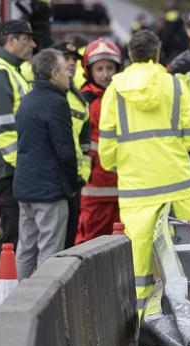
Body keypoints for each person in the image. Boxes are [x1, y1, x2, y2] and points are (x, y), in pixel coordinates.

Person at [99, 29, 190, 321]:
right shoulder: (173, 85)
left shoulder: (115, 90)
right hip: (177, 182)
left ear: (130, 55)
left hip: (137, 187)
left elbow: (107, 142)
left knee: (138, 260)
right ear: (157, 53)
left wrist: (115, 163)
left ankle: (141, 325)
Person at [13, 50, 83, 278]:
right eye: (65, 70)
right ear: (54, 74)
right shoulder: (56, 103)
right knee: (49, 251)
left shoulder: (26, 101)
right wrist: (72, 184)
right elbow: (65, 150)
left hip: (25, 186)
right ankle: (42, 309)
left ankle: (16, 300)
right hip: (49, 189)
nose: (69, 75)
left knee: (26, 248)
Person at [0, 19, 35, 248]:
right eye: (27, 38)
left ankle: (11, 284)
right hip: (8, 168)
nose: (33, 44)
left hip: (10, 166)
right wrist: (22, 165)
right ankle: (6, 285)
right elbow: (3, 127)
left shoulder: (10, 70)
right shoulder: (1, 72)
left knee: (18, 235)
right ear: (11, 40)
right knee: (13, 236)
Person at [75, 38, 124, 245]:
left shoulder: (126, 96)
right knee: (89, 244)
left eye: (109, 68)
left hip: (124, 186)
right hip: (94, 188)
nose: (105, 74)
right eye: (100, 69)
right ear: (89, 71)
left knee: (124, 245)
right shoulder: (84, 101)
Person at [52, 41, 92, 250]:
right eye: (65, 58)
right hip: (50, 181)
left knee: (68, 241)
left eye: (74, 59)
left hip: (73, 181)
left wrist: (82, 176)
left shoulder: (79, 101)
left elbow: (85, 146)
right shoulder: (45, 95)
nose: (71, 63)